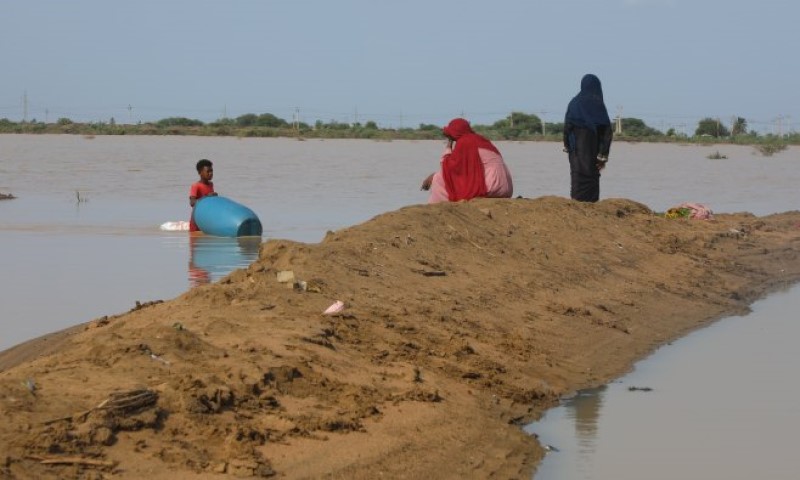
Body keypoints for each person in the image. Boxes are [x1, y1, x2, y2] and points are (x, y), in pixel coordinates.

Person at [421, 118, 513, 203]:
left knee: (439, 178)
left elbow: (448, 167)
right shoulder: (481, 139)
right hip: (506, 188)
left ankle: (436, 207)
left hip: (491, 187)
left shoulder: (465, 142)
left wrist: (449, 145)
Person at [563, 74, 613, 202]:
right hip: (592, 153)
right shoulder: (599, 106)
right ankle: (592, 207)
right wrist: (603, 156)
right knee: (592, 179)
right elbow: (607, 133)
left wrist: (568, 146)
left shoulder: (574, 104)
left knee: (577, 177)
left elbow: (567, 128)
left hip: (576, 153)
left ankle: (576, 204)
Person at [189, 158, 218, 232]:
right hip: (197, 221)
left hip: (206, 220)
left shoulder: (211, 184)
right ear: (200, 172)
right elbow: (192, 203)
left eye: (211, 171)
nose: (210, 173)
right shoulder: (196, 186)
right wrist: (207, 197)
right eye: (208, 171)